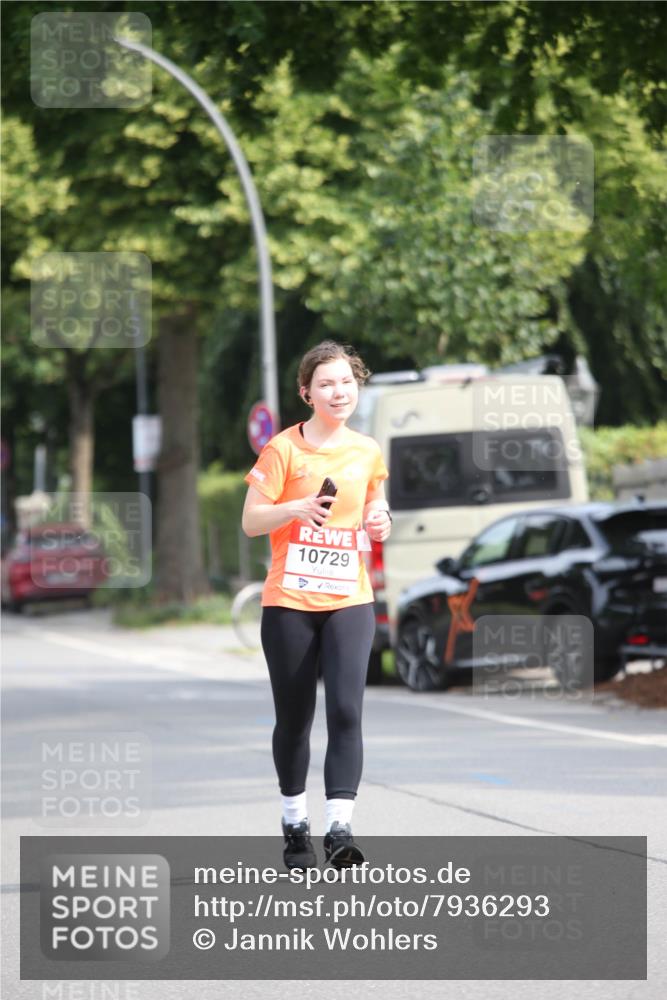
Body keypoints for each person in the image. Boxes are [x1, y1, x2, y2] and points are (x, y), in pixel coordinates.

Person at [242, 340, 391, 870]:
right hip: (290, 601)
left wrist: (381, 519)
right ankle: (294, 822)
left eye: (347, 382)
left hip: (350, 597)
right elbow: (252, 520)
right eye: (326, 384)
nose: (338, 392)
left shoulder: (367, 450)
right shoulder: (284, 449)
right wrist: (294, 507)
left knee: (347, 710)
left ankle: (339, 829)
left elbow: (374, 502)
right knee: (296, 717)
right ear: (306, 393)